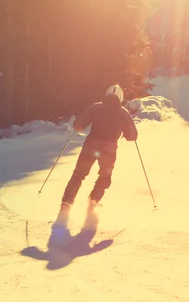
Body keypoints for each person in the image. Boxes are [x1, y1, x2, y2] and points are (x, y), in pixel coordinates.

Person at [55, 84, 138, 230]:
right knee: (104, 176)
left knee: (79, 174)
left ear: (106, 95)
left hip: (91, 145)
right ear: (121, 97)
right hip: (109, 149)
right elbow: (132, 136)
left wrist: (79, 127)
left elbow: (79, 125)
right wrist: (126, 133)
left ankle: (67, 202)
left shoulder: (96, 107)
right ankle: (93, 200)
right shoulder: (123, 113)